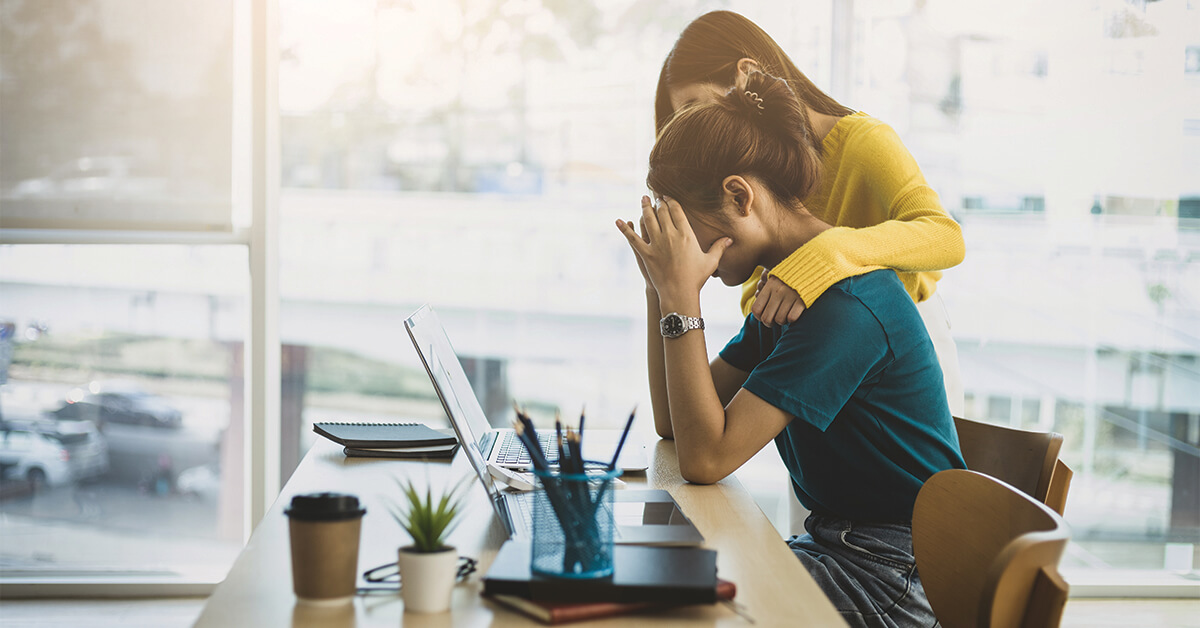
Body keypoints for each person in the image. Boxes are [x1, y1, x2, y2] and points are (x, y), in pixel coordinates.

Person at [616, 70, 966, 628]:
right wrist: (662, 292)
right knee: (649, 581)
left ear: (739, 195)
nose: (685, 246)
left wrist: (683, 296)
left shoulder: (843, 306)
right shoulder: (787, 288)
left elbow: (705, 459)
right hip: (840, 548)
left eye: (688, 227)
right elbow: (674, 425)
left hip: (892, 576)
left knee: (671, 611)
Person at [655, 10, 966, 416]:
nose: (694, 131)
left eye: (695, 108)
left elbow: (946, 236)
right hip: (812, 351)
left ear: (746, 75)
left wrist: (824, 254)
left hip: (896, 365)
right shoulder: (753, 188)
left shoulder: (862, 142)